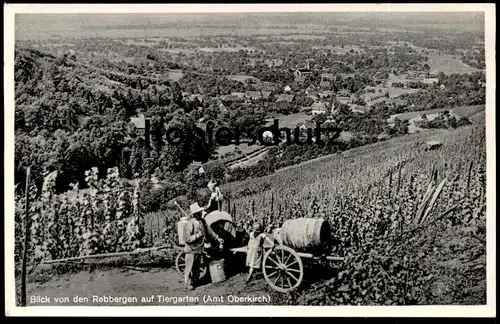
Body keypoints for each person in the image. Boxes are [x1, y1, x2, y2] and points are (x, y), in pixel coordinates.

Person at [183, 202, 224, 291]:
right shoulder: (189, 224)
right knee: (190, 267)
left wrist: (217, 238)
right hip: (191, 249)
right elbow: (187, 239)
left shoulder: (202, 222)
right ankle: (187, 284)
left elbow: (209, 232)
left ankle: (195, 282)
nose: (202, 213)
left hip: (199, 249)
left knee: (197, 267)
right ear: (195, 214)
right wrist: (198, 235)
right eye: (200, 212)